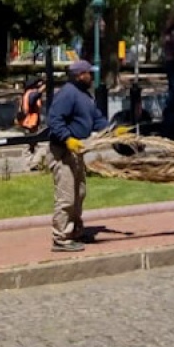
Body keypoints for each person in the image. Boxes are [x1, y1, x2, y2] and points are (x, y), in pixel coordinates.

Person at [45, 59, 108, 252]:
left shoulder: (85, 95)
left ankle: (75, 231)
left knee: (79, 193)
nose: (92, 76)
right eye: (90, 73)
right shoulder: (67, 94)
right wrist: (67, 139)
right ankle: (61, 238)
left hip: (77, 152)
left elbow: (96, 119)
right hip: (63, 152)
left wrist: (113, 130)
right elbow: (54, 120)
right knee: (66, 196)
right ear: (80, 75)